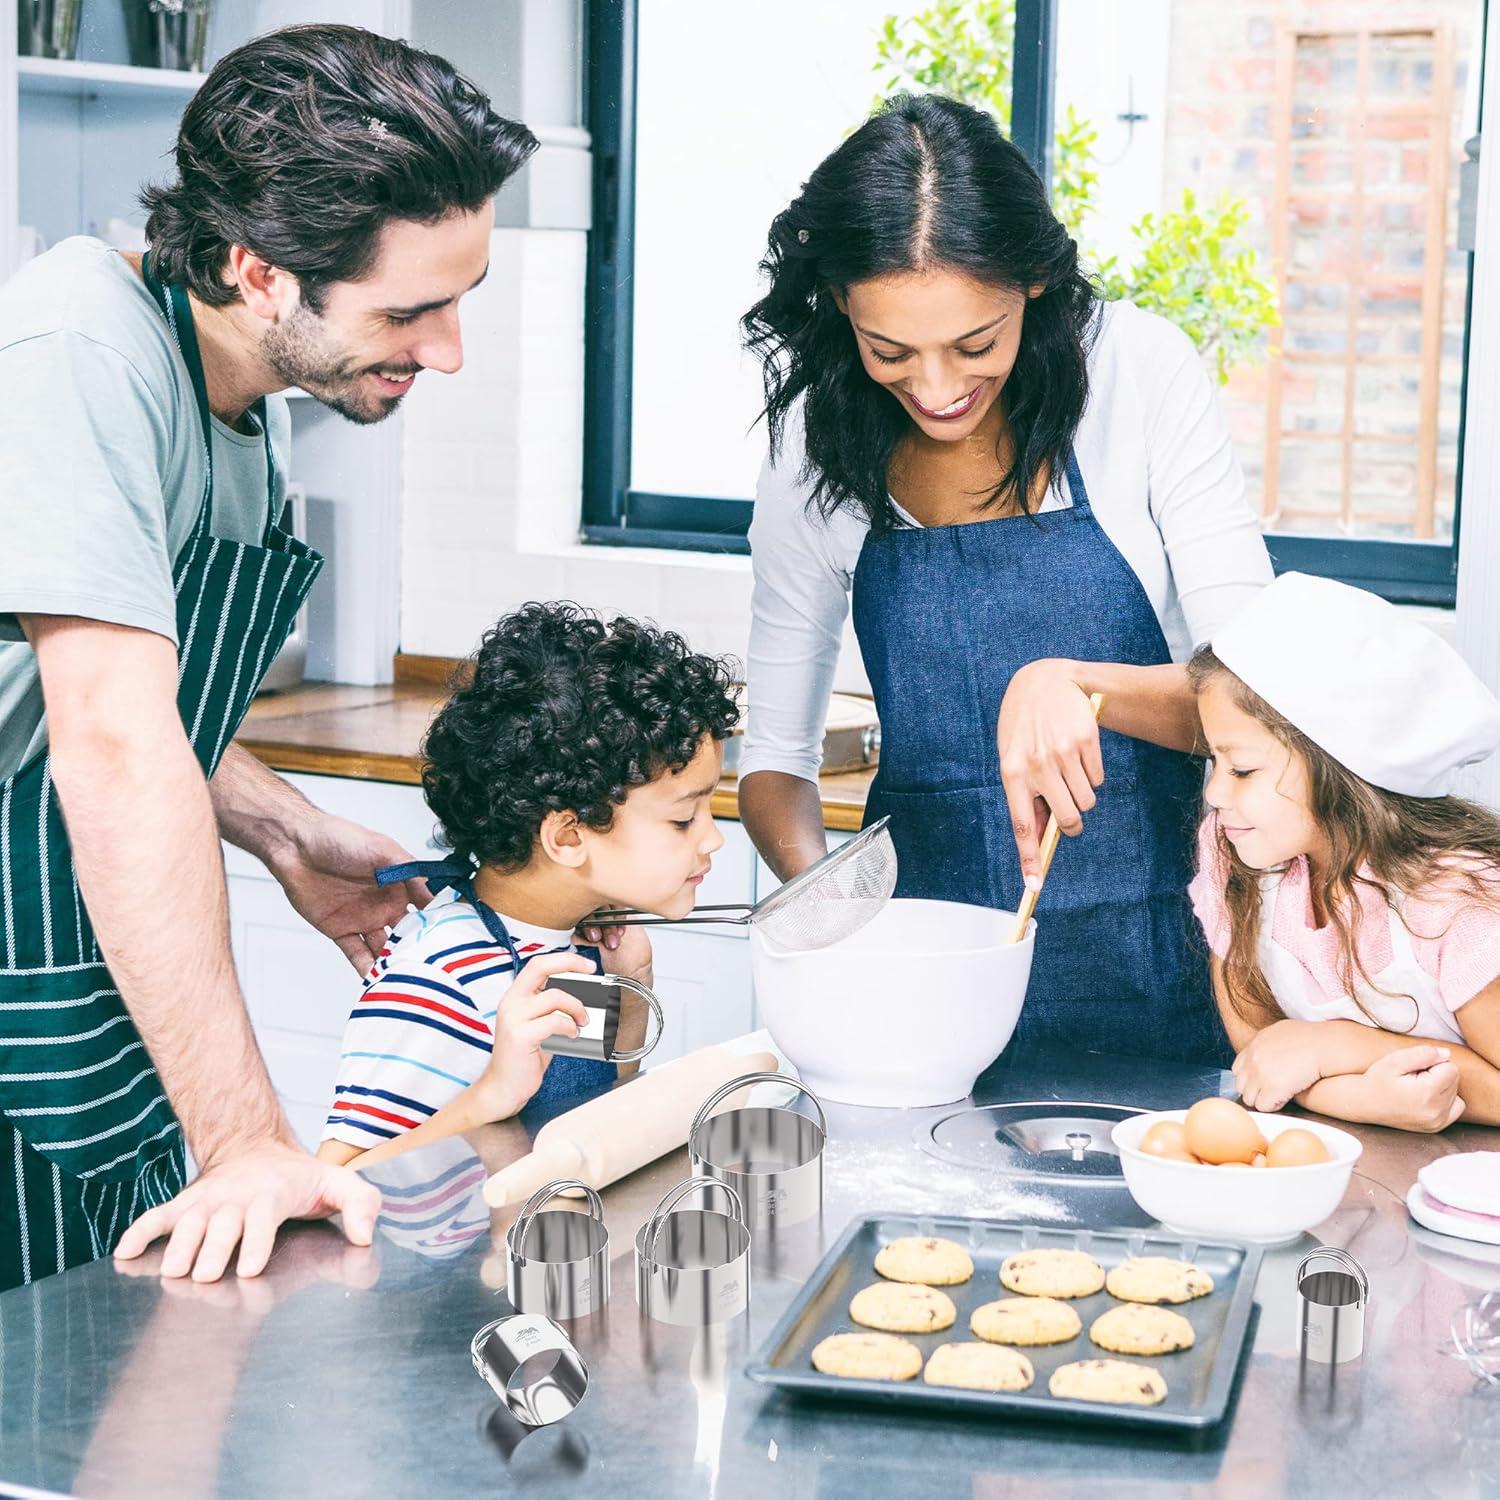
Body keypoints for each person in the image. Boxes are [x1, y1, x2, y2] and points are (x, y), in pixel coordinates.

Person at [0, 24, 538, 1286]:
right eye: (411, 310)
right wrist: (243, 1135)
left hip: (64, 950)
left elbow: (121, 703)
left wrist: (285, 833)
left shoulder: (239, 403)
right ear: (258, 272)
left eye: (460, 299)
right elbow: (114, 747)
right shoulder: (79, 354)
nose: (447, 349)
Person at [738, 94, 1272, 1064]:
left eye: (974, 344)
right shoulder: (812, 450)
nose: (937, 387)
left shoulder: (1137, 376)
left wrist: (1078, 686)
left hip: (1167, 963)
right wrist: (840, 923)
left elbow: (1261, 705)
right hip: (925, 995)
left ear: (1031, 283)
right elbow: (774, 762)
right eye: (889, 352)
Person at [316, 604, 740, 1167]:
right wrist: (493, 1092)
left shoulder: (563, 936)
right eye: (684, 818)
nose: (713, 839)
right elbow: (339, 1179)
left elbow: (588, 1108)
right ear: (567, 837)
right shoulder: (440, 979)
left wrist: (630, 986)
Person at [1189, 572, 1500, 1130]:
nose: (1214, 794)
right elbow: (1260, 1059)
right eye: (1214, 761)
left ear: (1340, 770)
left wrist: (1339, 1046)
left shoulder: (1454, 900)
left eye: (1242, 768)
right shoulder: (1233, 854)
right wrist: (1353, 1099)